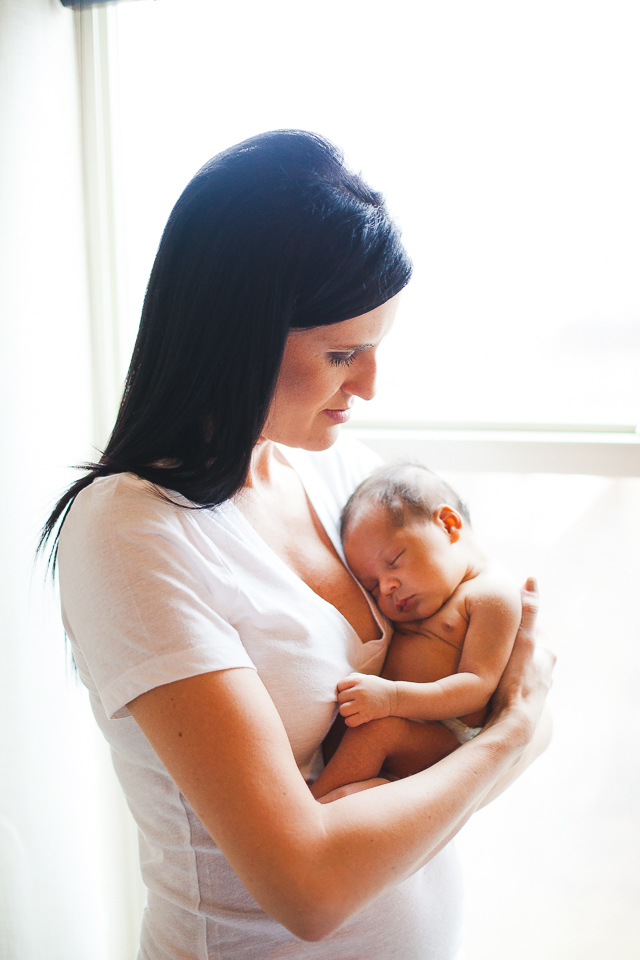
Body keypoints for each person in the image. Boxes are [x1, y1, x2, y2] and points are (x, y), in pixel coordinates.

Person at [40, 130, 554, 960]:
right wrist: (510, 738)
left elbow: (491, 634)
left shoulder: (341, 476)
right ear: (234, 337)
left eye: (376, 348)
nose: (371, 386)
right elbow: (307, 887)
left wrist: (494, 713)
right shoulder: (132, 534)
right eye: (343, 354)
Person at [310, 462, 522, 800]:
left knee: (377, 731)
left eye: (394, 561)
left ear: (448, 525)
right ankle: (358, 792)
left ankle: (316, 805)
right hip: (399, 724)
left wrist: (392, 698)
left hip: (446, 734)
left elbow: (477, 686)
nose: (387, 587)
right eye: (372, 586)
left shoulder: (491, 594)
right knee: (363, 727)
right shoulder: (424, 595)